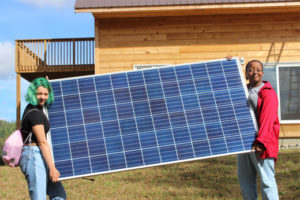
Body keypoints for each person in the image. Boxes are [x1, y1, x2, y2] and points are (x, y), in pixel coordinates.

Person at [237, 60, 280, 200]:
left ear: (262, 72)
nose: (255, 72)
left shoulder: (267, 93)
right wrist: (227, 64)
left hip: (262, 143)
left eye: (259, 69)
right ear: (246, 73)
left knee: (267, 181)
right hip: (244, 143)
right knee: (245, 182)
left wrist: (261, 141)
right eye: (251, 69)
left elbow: (268, 119)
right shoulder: (242, 89)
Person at [19, 77, 66, 200]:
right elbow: (42, 141)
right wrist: (52, 167)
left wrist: (52, 84)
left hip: (40, 155)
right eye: (39, 93)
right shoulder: (34, 113)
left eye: (45, 94)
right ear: (33, 93)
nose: (42, 97)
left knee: (59, 195)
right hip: (33, 156)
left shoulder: (40, 109)